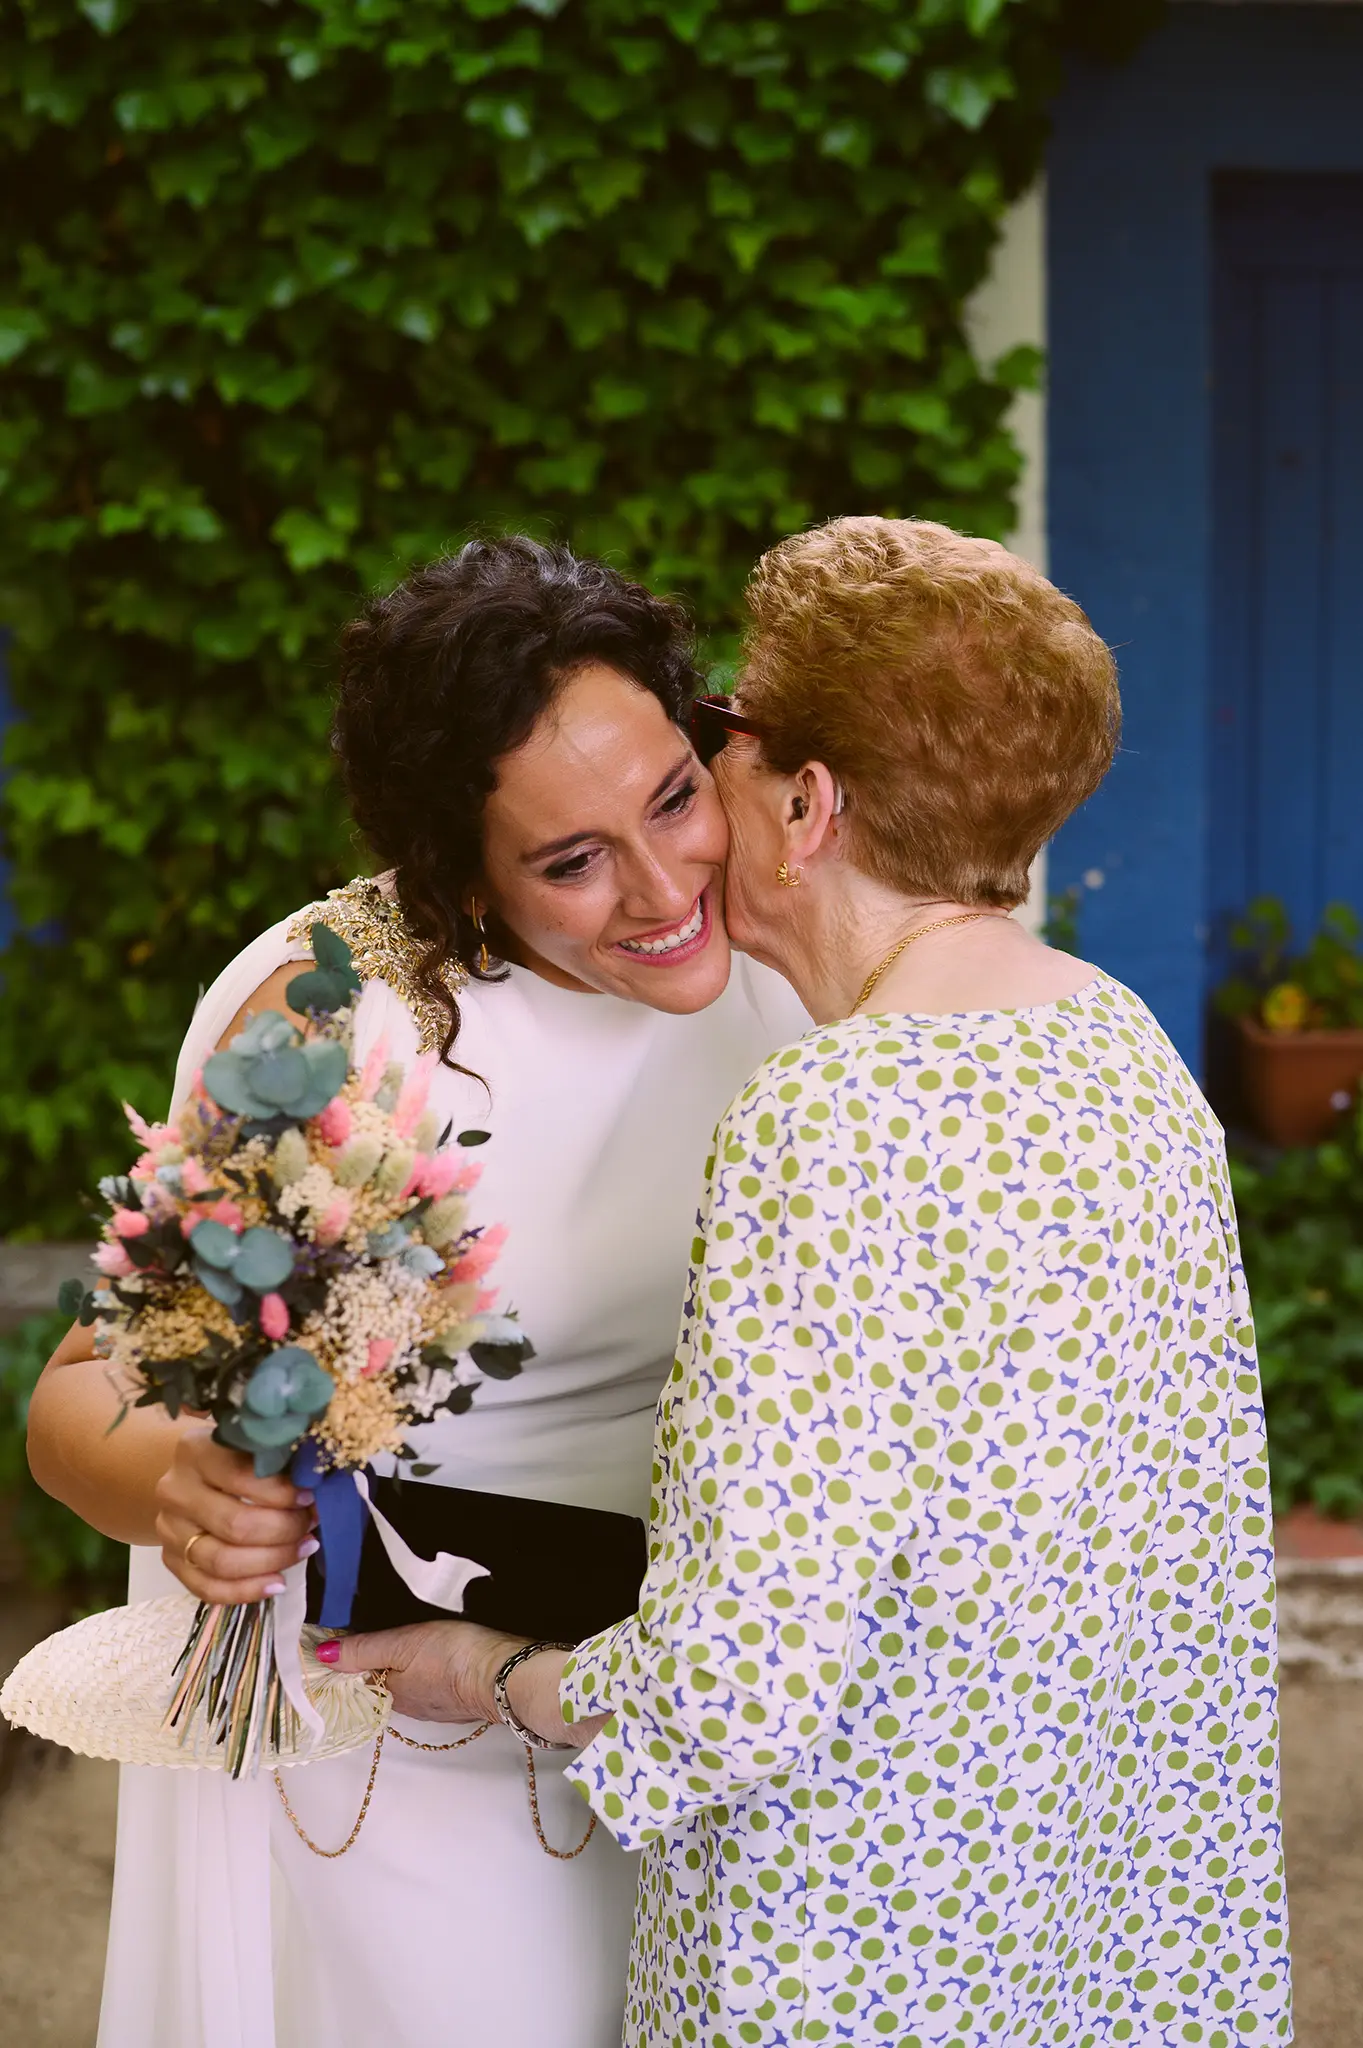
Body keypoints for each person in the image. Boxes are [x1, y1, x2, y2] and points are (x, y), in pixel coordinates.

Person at [335, 518, 1291, 2048]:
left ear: (807, 799)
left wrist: (489, 1670)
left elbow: (736, 1684)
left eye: (723, 731)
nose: (704, 771)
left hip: (856, 1941)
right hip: (1095, 1915)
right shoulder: (1120, 1042)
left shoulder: (832, 1116)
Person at [26, 537, 808, 2048]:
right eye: (570, 862)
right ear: (458, 875)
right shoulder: (339, 1025)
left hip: (699, 1706)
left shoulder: (800, 938)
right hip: (408, 1748)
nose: (665, 889)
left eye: (673, 797)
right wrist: (188, 1488)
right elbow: (79, 1405)